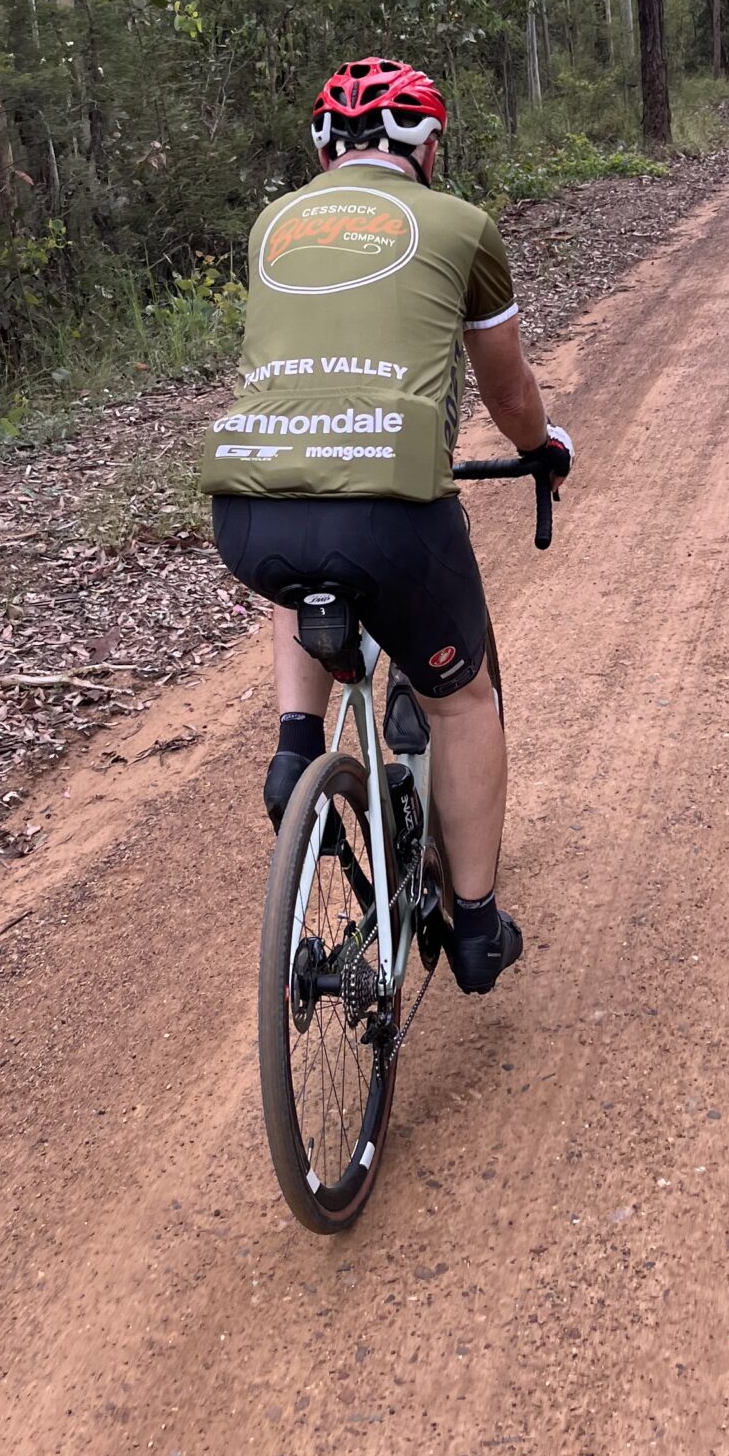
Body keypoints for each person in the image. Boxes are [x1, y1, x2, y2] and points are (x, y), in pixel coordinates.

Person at [201, 58, 572, 996]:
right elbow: (508, 390)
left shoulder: (271, 224)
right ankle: (478, 928)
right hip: (394, 513)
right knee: (461, 699)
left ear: (322, 149)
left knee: (299, 555)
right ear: (429, 148)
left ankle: (296, 746)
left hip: (248, 508)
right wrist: (543, 446)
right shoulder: (459, 225)